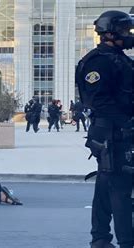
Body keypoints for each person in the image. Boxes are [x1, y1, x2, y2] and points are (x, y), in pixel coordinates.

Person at [75, 10, 133, 248]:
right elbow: (98, 101)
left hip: (117, 131)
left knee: (105, 183)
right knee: (120, 186)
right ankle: (127, 241)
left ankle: (99, 237)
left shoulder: (120, 59)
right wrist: (126, 123)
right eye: (125, 31)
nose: (129, 36)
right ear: (110, 33)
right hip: (112, 132)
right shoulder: (98, 62)